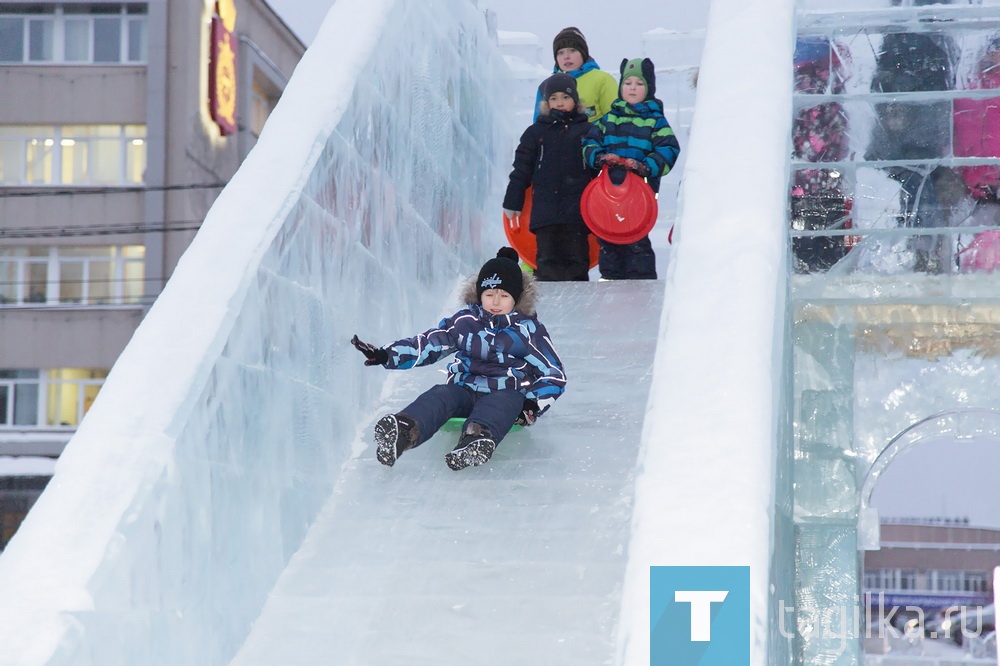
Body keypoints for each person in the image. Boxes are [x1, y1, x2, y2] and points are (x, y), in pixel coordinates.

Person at [350, 248, 567, 471]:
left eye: (504, 295)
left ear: (516, 298)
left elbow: (554, 374)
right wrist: (387, 354)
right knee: (441, 394)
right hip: (464, 390)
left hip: (506, 393)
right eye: (489, 294)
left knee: (506, 399)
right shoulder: (464, 322)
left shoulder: (527, 330)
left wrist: (531, 404)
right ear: (479, 294)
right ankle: (404, 431)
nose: (495, 301)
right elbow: (429, 344)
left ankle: (476, 438)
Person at [865, 30, 957, 272]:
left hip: (920, 147)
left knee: (922, 199)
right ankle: (924, 255)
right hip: (913, 149)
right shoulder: (930, 47)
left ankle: (925, 255)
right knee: (920, 199)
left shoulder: (923, 47)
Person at [582, 57, 681, 280]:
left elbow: (669, 148)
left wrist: (645, 166)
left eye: (639, 83)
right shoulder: (608, 119)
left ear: (649, 88)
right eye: (628, 83)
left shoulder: (655, 121)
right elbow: (589, 143)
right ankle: (610, 283)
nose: (632, 88)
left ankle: (643, 287)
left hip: (639, 195)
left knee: (637, 240)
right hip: (608, 195)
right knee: (609, 240)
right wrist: (599, 157)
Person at [504, 73, 595, 281]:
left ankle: (578, 308)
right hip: (546, 214)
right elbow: (521, 170)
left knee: (578, 264)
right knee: (546, 263)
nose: (560, 103)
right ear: (546, 103)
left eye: (565, 97)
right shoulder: (536, 133)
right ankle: (548, 311)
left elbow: (598, 171)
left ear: (575, 101)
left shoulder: (588, 131)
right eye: (554, 98)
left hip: (578, 214)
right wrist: (512, 201)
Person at [789, 36, 853, 273]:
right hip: (829, 187)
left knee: (805, 258)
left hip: (803, 191)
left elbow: (810, 143)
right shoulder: (834, 90)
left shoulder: (802, 88)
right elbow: (838, 140)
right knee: (832, 257)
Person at [534, 26, 617, 123]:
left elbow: (614, 120)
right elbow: (537, 127)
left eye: (572, 51)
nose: (566, 57)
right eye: (560, 53)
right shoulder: (546, 86)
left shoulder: (602, 80)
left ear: (583, 53)